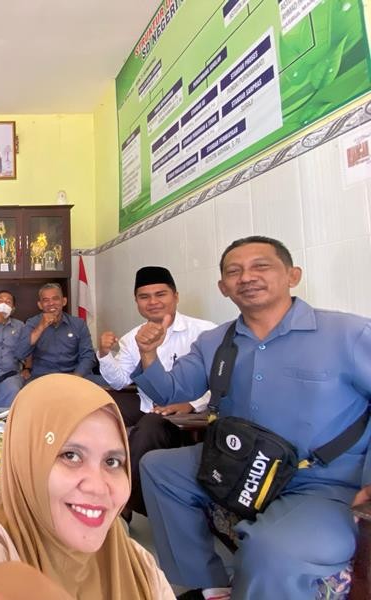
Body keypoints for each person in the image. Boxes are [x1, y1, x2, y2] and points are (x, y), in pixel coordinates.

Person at [133, 236, 371, 599]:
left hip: (322, 482)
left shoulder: (347, 334)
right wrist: (149, 354)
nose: (246, 277)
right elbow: (170, 392)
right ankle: (208, 585)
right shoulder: (214, 342)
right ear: (223, 287)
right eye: (234, 271)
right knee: (159, 468)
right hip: (240, 465)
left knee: (270, 550)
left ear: (292, 275)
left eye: (261, 266)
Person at [0, 373, 175, 599]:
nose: (98, 487)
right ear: (25, 460)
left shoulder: (141, 568)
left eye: (112, 462)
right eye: (71, 456)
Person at [97, 266, 216, 517]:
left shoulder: (205, 332)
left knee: (149, 427)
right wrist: (105, 354)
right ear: (137, 302)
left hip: (191, 412)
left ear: (176, 296)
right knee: (94, 408)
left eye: (160, 294)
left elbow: (220, 380)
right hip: (148, 404)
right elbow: (119, 381)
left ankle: (125, 502)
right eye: (144, 296)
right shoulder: (133, 337)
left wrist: (191, 404)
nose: (153, 302)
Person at [15, 283, 97, 380]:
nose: (51, 303)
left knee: (107, 384)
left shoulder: (78, 324)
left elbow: (88, 356)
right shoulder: (32, 323)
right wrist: (40, 327)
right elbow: (20, 354)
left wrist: (76, 377)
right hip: (43, 378)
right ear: (40, 305)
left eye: (55, 298)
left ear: (64, 301)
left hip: (74, 375)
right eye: (46, 300)